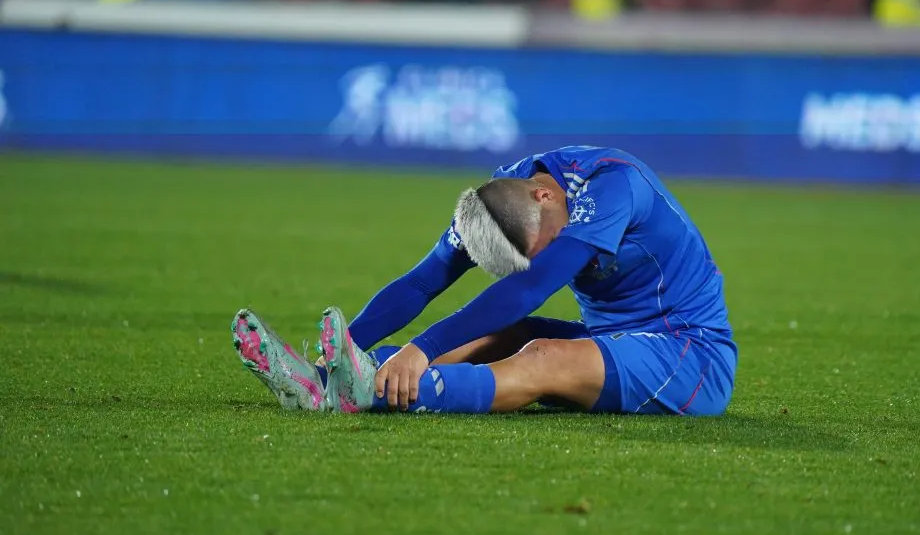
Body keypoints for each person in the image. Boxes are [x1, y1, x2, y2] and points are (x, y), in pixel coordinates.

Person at [231, 146, 738, 417]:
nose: (548, 257)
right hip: (616, 340)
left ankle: (370, 391)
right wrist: (342, 347)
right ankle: (323, 380)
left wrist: (422, 348)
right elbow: (423, 281)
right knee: (492, 335)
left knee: (542, 355)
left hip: (689, 354)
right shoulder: (499, 197)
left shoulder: (613, 185)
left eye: (547, 248)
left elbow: (528, 289)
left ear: (545, 198)